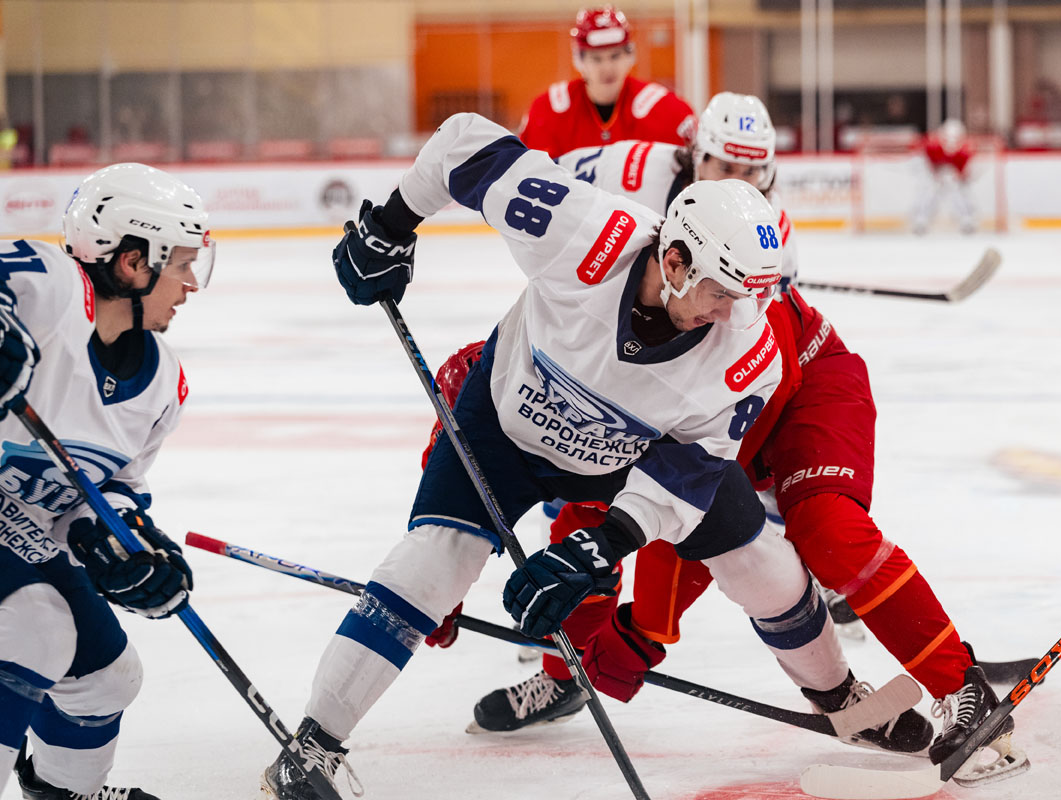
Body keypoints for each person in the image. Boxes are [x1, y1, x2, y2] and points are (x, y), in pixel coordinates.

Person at [259, 111, 906, 799]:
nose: (733, 313)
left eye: (746, 295)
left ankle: (841, 697)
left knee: (762, 561)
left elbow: (689, 471)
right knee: (433, 564)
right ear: (675, 261)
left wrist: (604, 543)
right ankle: (311, 747)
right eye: (721, 291)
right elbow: (462, 143)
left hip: (638, 450)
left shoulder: (747, 348)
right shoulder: (581, 230)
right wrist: (392, 225)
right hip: (503, 426)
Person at [463, 93, 1030, 784]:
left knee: (821, 531)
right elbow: (541, 184)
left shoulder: (745, 299)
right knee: (585, 515)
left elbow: (701, 504)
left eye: (751, 169)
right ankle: (563, 675)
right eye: (722, 163)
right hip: (690, 412)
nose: (737, 178)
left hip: (798, 390)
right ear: (692, 154)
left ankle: (957, 688)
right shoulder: (631, 178)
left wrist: (645, 630)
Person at [0, 163, 215, 799]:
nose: (191, 283)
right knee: (37, 626)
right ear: (132, 261)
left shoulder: (161, 385)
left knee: (107, 678)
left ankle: (64, 792)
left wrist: (120, 542)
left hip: (18, 531)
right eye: (181, 264)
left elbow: (112, 487)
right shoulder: (51, 287)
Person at [520, 5, 696, 159]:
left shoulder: (667, 110)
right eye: (596, 59)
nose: (607, 68)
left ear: (629, 55)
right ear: (579, 60)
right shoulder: (546, 112)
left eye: (615, 56)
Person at [912, 118, 977, 235]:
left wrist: (953, 178)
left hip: (950, 177)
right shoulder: (931, 146)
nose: (951, 142)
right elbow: (924, 164)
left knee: (958, 192)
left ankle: (966, 219)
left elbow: (962, 174)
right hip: (933, 174)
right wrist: (935, 177)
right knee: (929, 191)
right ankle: (921, 219)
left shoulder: (964, 153)